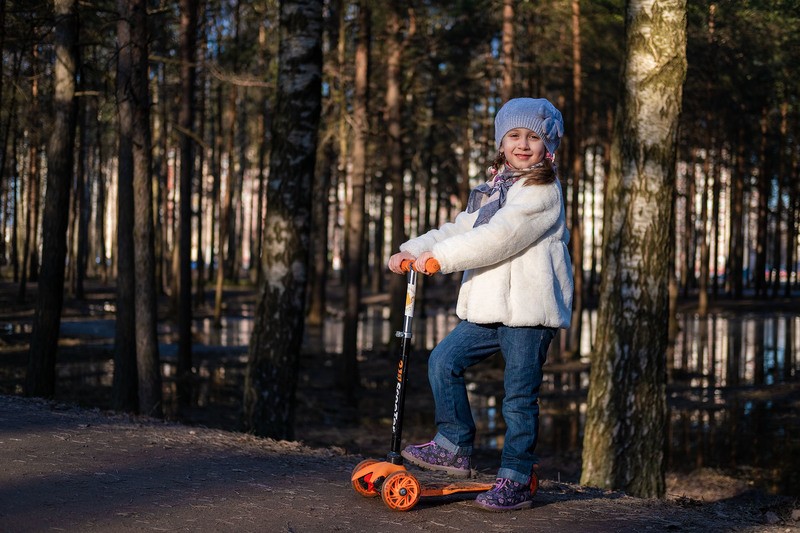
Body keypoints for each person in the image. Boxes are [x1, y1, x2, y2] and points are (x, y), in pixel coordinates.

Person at [387, 97, 573, 512]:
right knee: (443, 360)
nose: (523, 144)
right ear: (501, 143)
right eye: (514, 136)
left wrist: (444, 260)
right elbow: (460, 227)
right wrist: (412, 250)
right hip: (491, 307)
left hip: (527, 310)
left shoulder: (540, 192)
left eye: (533, 137)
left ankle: (516, 477)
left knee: (518, 397)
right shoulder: (494, 189)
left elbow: (500, 237)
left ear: (549, 147)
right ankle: (454, 443)